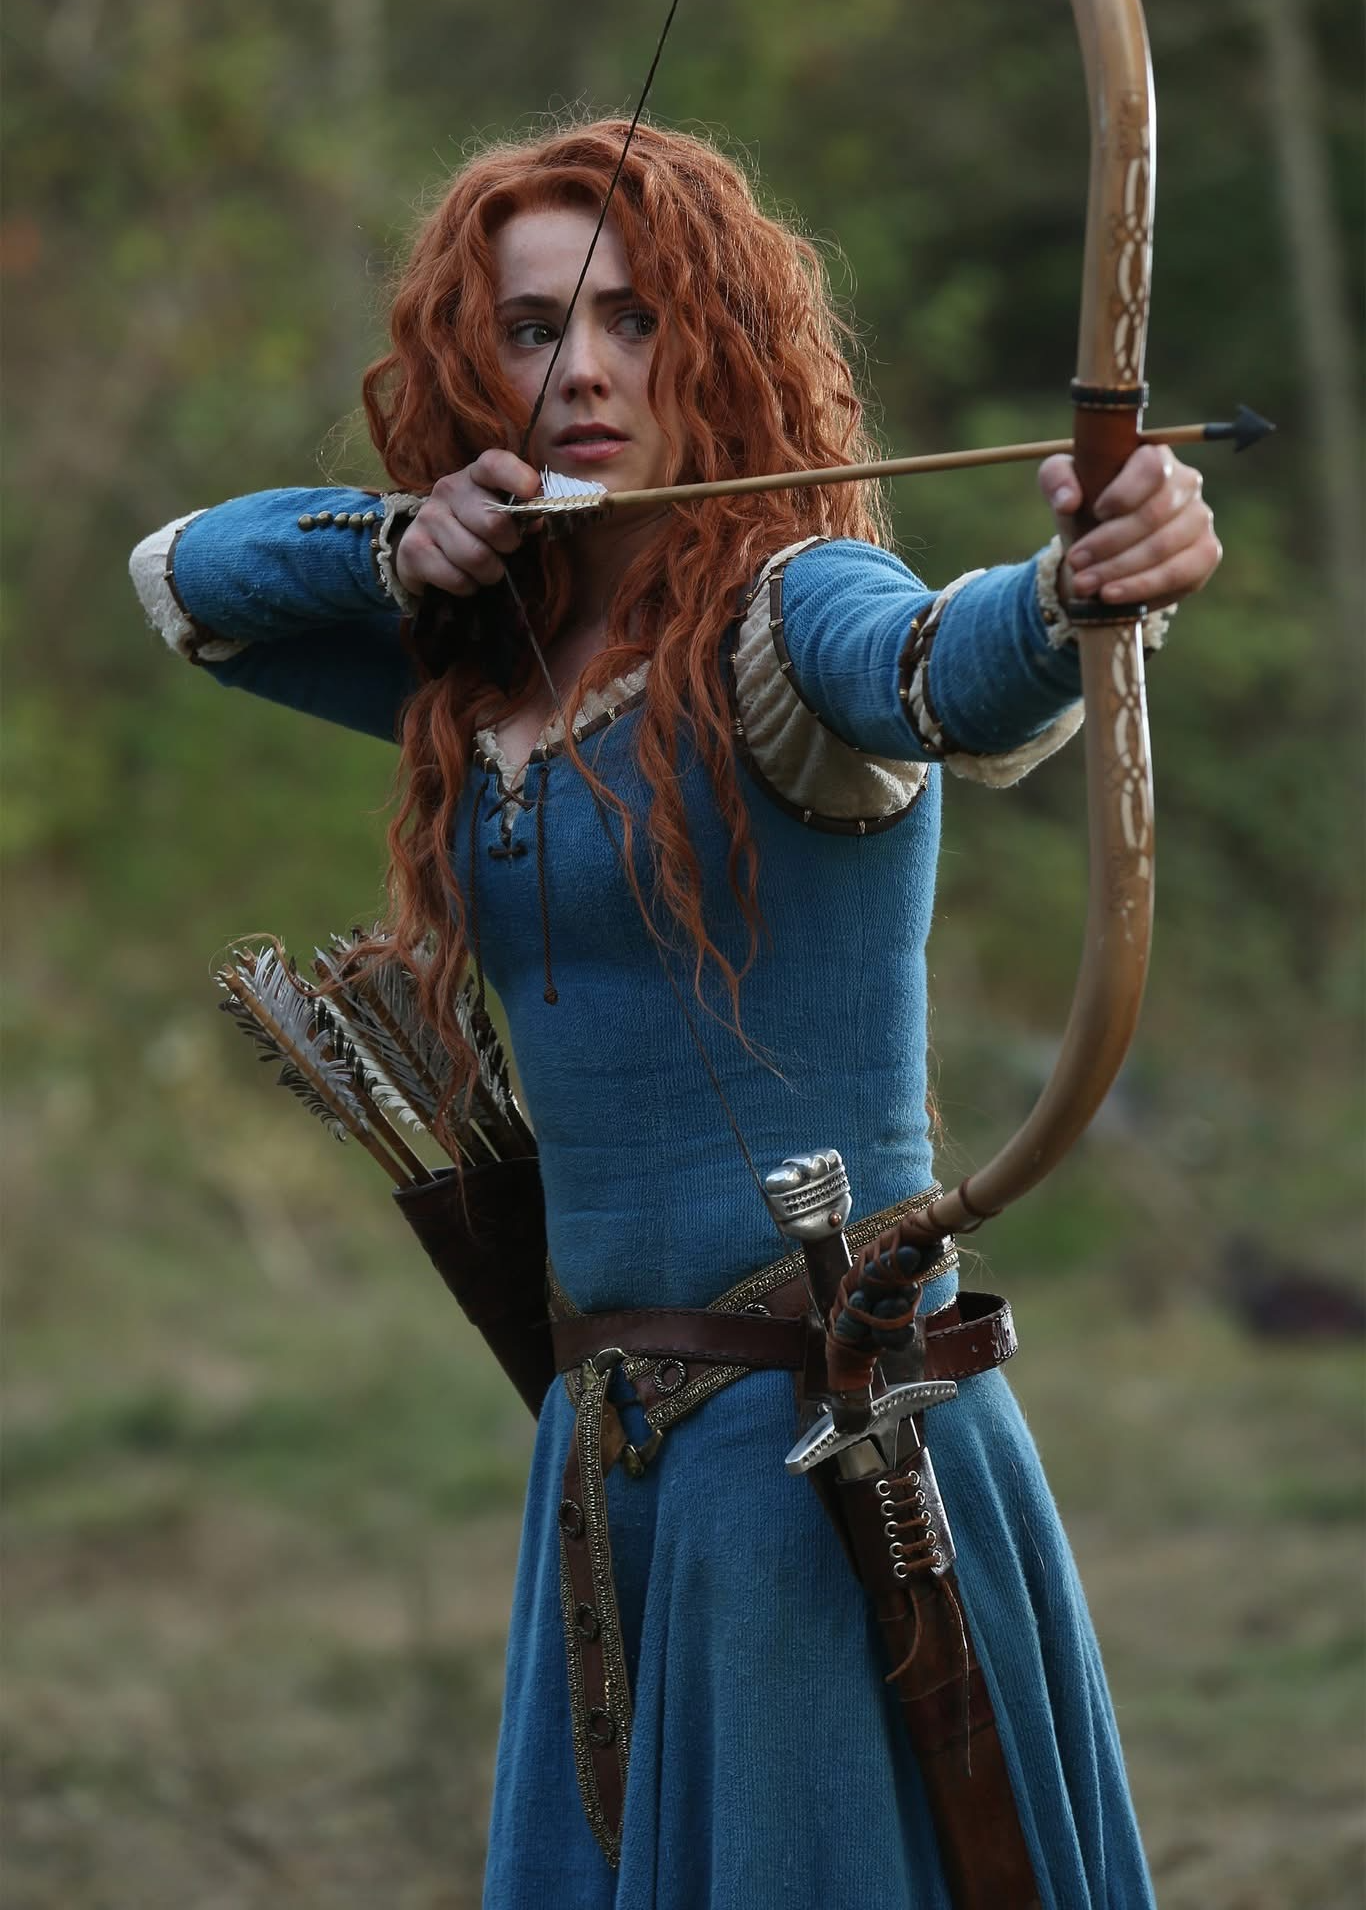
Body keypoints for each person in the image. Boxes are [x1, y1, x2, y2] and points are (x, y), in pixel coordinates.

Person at [129, 118, 1221, 1909]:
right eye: (530, 327)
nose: (580, 368)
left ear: (715, 341)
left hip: (822, 1440)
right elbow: (187, 585)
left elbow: (944, 668)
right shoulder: (478, 661)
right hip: (610, 1452)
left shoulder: (786, 617)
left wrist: (1080, 586)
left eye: (632, 318)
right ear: (468, 362)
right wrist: (403, 542)